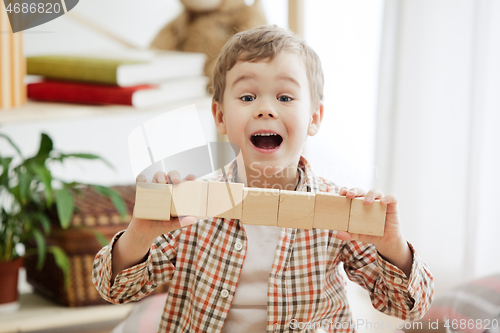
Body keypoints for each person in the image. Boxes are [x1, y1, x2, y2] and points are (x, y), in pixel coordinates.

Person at [92, 25, 434, 333]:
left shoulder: (338, 210)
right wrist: (138, 235)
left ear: (314, 117)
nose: (265, 109)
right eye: (247, 97)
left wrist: (395, 249)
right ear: (221, 117)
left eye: (285, 97)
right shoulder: (191, 204)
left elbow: (405, 305)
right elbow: (116, 290)